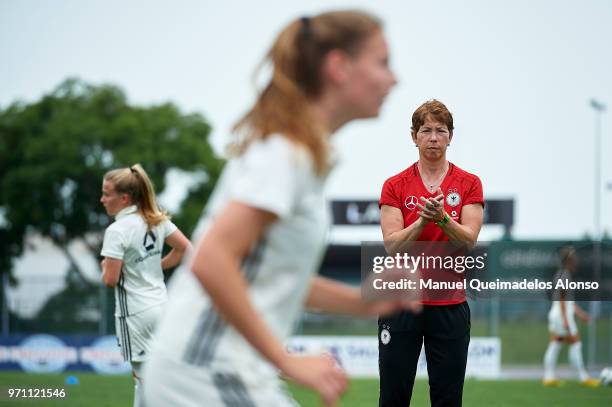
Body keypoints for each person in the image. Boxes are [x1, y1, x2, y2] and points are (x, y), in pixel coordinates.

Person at [142, 10, 418, 407]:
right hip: (203, 372)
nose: (394, 79)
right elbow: (211, 260)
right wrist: (287, 360)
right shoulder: (286, 154)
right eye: (382, 62)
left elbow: (271, 276)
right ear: (339, 66)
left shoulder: (301, 152)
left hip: (214, 370)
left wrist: (362, 301)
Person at [378, 99, 484, 406]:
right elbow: (392, 244)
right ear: (414, 136)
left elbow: (469, 241)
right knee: (393, 398)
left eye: (441, 130)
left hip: (449, 304)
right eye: (426, 130)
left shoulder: (469, 183)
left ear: (451, 136)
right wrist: (424, 220)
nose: (433, 137)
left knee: (448, 400)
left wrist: (443, 218)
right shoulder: (395, 185)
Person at [100, 164, 191, 407]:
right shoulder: (155, 219)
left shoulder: (117, 230)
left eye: (106, 194)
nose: (102, 199)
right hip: (162, 306)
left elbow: (110, 280)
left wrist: (104, 269)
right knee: (147, 380)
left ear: (124, 198)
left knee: (148, 382)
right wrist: (152, 268)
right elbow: (186, 248)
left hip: (136, 315)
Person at [543, 245, 599, 387]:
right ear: (569, 260)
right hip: (562, 315)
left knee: (556, 343)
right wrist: (566, 320)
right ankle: (583, 377)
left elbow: (568, 301)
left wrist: (581, 314)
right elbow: (562, 299)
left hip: (558, 314)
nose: (576, 261)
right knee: (575, 343)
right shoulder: (564, 275)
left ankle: (549, 377)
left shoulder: (562, 274)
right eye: (574, 258)